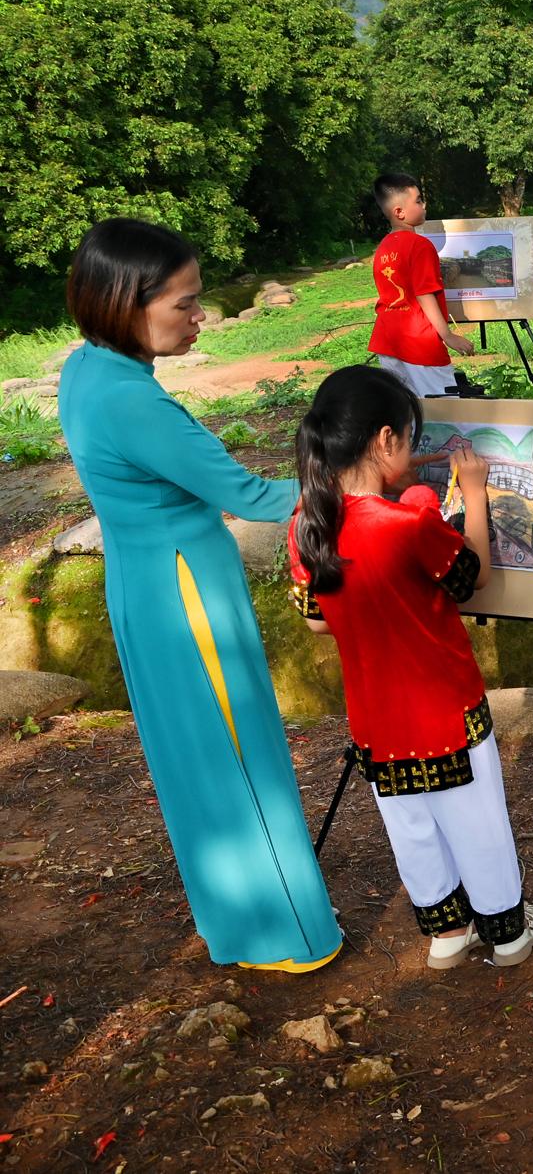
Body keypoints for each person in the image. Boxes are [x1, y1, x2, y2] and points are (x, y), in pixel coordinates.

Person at [56, 219, 343, 972]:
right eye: (183, 304)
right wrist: (354, 485)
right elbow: (248, 495)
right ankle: (291, 935)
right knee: (234, 754)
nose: (197, 317)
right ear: (127, 302)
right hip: (186, 592)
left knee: (194, 758)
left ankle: (244, 926)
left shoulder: (88, 369)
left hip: (142, 581)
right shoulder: (133, 401)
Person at [287, 366, 533, 965]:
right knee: (477, 819)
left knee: (412, 828)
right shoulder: (407, 524)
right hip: (444, 706)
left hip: (375, 718)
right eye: (409, 437)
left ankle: (447, 935)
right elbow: (472, 578)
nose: (412, 451)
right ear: (384, 440)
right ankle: (507, 932)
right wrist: (475, 494)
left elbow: (317, 620)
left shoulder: (308, 521)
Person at [369, 172, 473, 399]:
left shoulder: (383, 248)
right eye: (418, 200)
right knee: (444, 410)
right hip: (420, 343)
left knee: (405, 411)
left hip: (388, 342)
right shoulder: (420, 246)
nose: (424, 205)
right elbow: (425, 294)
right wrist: (447, 335)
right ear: (399, 212)